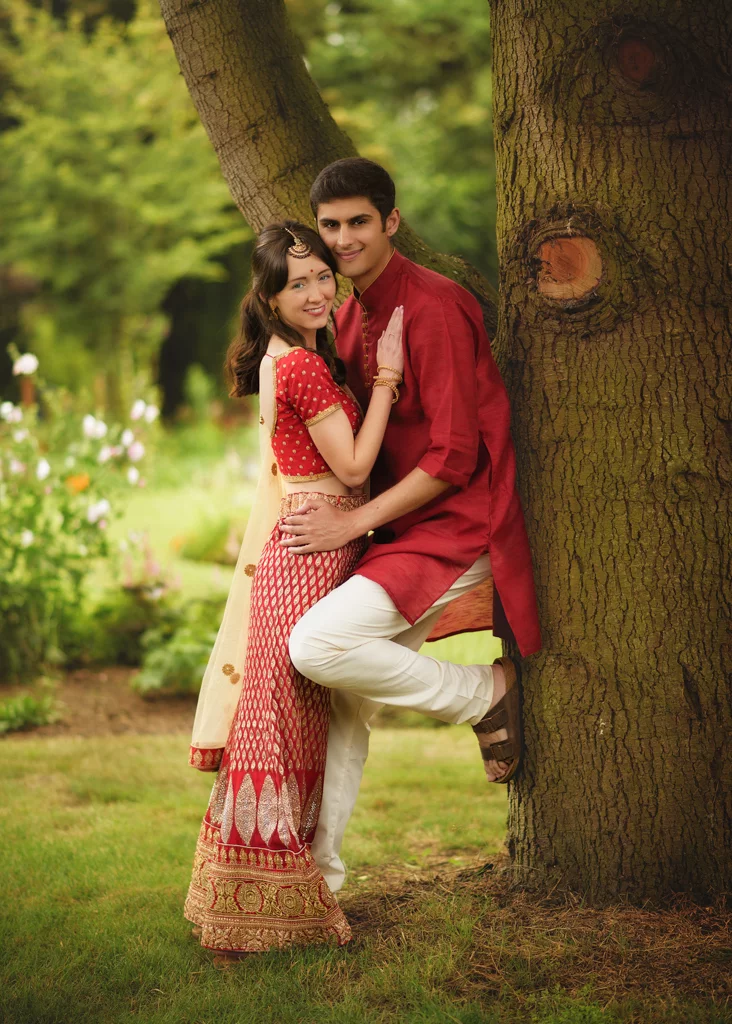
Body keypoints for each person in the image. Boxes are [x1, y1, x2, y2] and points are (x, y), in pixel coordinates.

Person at [279, 158, 542, 896]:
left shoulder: (434, 306)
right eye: (330, 226)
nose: (344, 239)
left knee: (316, 646)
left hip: (459, 525)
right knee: (343, 704)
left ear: (390, 221)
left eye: (359, 222)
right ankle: (319, 885)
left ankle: (485, 692)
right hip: (399, 532)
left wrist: (351, 525)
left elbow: (453, 458)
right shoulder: (345, 314)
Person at [184, 220, 404, 956]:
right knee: (279, 726)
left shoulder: (291, 356)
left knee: (287, 723)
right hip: (307, 559)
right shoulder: (304, 366)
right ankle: (260, 912)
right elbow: (352, 468)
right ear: (271, 298)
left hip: (309, 551)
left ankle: (256, 907)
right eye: (296, 284)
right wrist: (388, 381)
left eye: (321, 278)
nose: (316, 293)